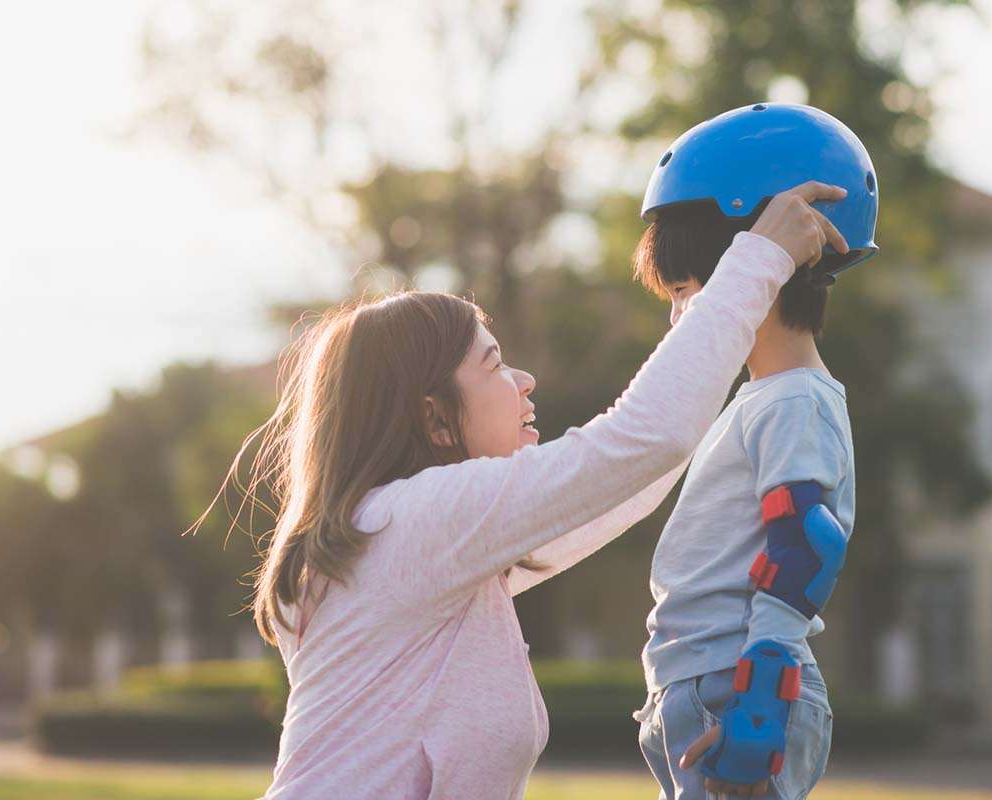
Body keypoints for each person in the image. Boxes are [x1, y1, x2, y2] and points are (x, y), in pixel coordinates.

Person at [194, 180, 847, 799]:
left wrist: (711, 334)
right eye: (495, 364)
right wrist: (757, 260)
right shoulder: (415, 524)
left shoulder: (416, 551)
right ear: (434, 417)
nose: (526, 379)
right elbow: (639, 445)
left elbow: (627, 479)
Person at [631, 104, 880, 799]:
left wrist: (762, 704)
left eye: (684, 289)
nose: (679, 316)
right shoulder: (762, 400)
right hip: (708, 687)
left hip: (739, 691)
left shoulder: (793, 401)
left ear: (763, 266)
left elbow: (805, 544)